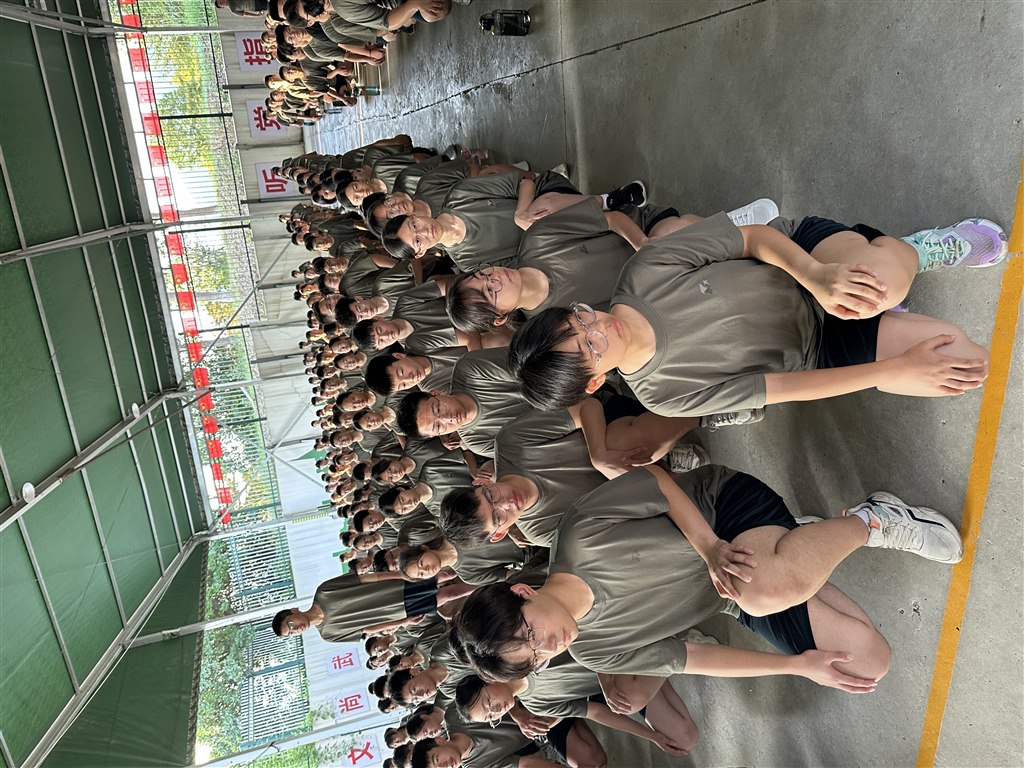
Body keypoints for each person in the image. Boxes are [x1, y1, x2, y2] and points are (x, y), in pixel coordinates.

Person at [454, 464, 964, 711]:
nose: (547, 646)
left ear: (522, 593)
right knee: (865, 663)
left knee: (760, 590)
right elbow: (694, 658)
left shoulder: (580, 533)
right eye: (536, 658)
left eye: (529, 633)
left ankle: (874, 521)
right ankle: (795, 545)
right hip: (734, 594)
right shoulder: (594, 652)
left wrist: (710, 547)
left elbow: (656, 480)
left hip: (720, 515)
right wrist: (797, 667)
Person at [508, 213, 1005, 415]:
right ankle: (886, 310)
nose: (599, 326)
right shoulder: (663, 396)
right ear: (595, 382)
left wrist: (817, 276)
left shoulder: (644, 270)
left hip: (801, 261)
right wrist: (894, 370)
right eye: (591, 346)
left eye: (580, 318)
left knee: (883, 282)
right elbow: (783, 387)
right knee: (963, 364)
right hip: (817, 347)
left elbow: (753, 237)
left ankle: (919, 250)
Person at [455, 663, 695, 759]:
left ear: (487, 678)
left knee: (631, 700)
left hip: (613, 658)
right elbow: (595, 712)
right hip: (620, 682)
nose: (496, 710)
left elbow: (589, 643)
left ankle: (673, 652)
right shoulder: (535, 705)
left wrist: (607, 682)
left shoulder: (519, 660)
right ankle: (660, 664)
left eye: (488, 703)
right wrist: (652, 736)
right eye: (492, 717)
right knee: (684, 738)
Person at [395, 347, 532, 457]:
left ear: (436, 393)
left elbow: (531, 367)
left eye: (438, 409)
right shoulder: (478, 443)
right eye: (438, 427)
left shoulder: (470, 370)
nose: (448, 418)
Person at [271, 571, 474, 641]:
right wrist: (402, 622)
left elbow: (364, 579)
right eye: (292, 633)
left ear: (293, 611)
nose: (296, 629)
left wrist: (400, 574)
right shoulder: (329, 635)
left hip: (395, 587)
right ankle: (484, 582)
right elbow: (368, 629)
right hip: (397, 611)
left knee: (445, 575)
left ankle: (478, 568)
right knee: (448, 595)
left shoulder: (323, 592)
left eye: (290, 624)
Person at [365, 347, 466, 397]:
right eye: (404, 385)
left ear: (399, 356)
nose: (410, 379)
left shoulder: (418, 344)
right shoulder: (430, 388)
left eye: (401, 372)